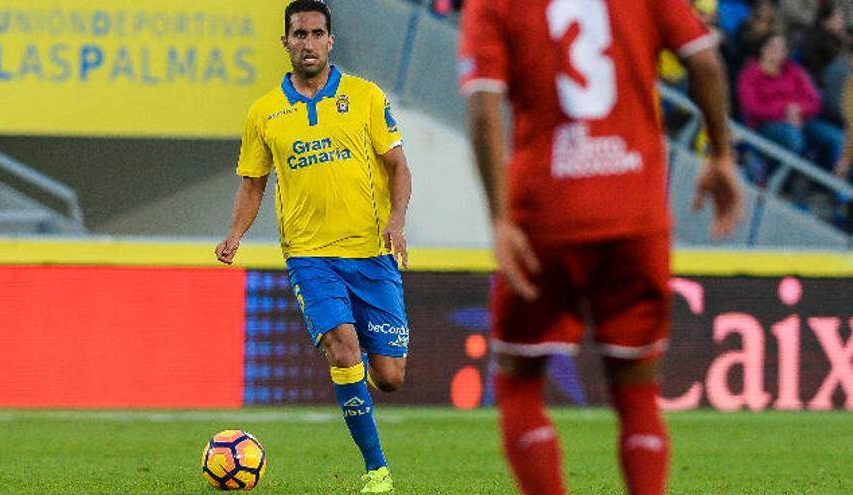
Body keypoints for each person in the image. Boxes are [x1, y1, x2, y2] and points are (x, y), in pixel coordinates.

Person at [459, 0, 742, 494]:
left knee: (519, 382)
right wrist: (719, 153)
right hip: (635, 211)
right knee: (636, 392)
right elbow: (705, 61)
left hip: (546, 214)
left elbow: (484, 108)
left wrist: (500, 218)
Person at [215, 1, 412, 492]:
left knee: (389, 378)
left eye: (316, 33)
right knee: (343, 350)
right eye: (298, 34)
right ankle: (377, 470)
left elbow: (398, 167)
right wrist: (235, 233)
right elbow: (253, 184)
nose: (307, 43)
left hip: (371, 254)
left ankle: (360, 380)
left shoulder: (365, 97)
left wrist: (397, 219)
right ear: (285, 42)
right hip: (310, 257)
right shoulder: (265, 112)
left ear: (331, 41)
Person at [738, 32, 844, 172]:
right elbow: (753, 108)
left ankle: (827, 187)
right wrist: (785, 111)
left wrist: (798, 110)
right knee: (793, 138)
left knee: (839, 139)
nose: (776, 52)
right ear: (763, 48)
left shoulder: (795, 71)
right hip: (765, 124)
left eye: (781, 49)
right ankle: (773, 180)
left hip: (801, 120)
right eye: (772, 47)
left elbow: (815, 101)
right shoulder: (750, 74)